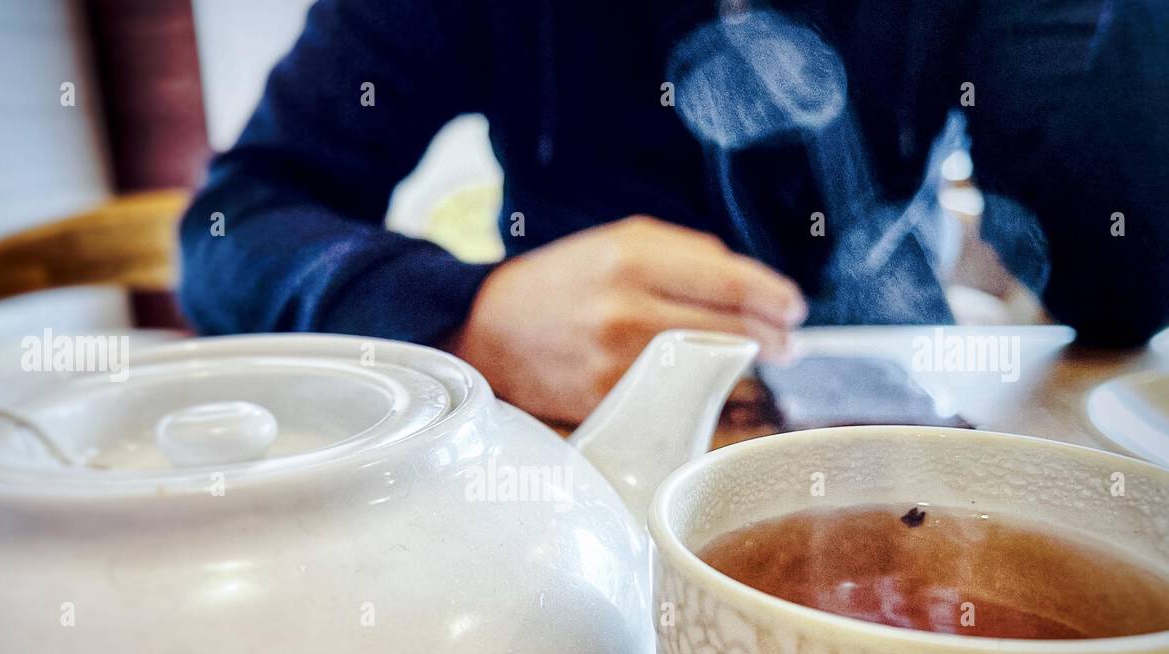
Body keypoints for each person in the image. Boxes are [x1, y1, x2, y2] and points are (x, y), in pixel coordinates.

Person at [179, 0, 1168, 425]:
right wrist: (465, 316)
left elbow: (1118, 278)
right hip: (585, 445)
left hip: (911, 432)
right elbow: (233, 221)